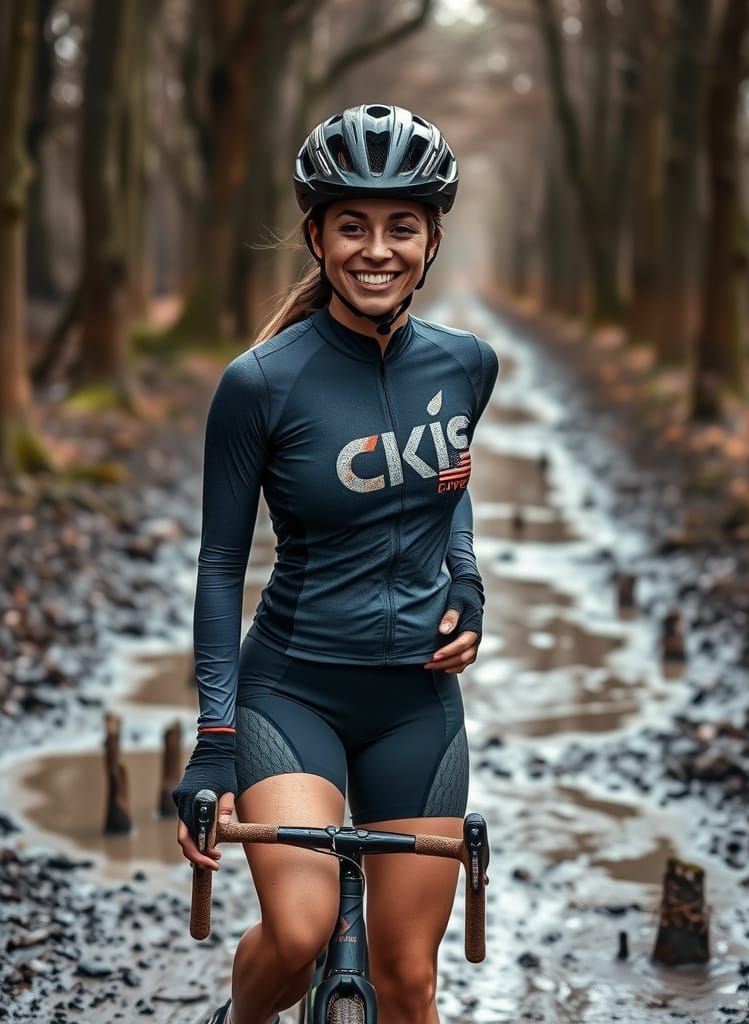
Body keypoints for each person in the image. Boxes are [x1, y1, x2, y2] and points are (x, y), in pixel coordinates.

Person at [172, 104, 498, 1024]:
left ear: (432, 241)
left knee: (409, 982)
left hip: (417, 705)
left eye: (402, 226)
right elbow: (220, 566)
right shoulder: (259, 384)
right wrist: (214, 743)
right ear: (317, 237)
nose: (377, 249)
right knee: (299, 930)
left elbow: (447, 479)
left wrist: (467, 582)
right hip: (293, 693)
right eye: (353, 225)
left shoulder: (468, 365)